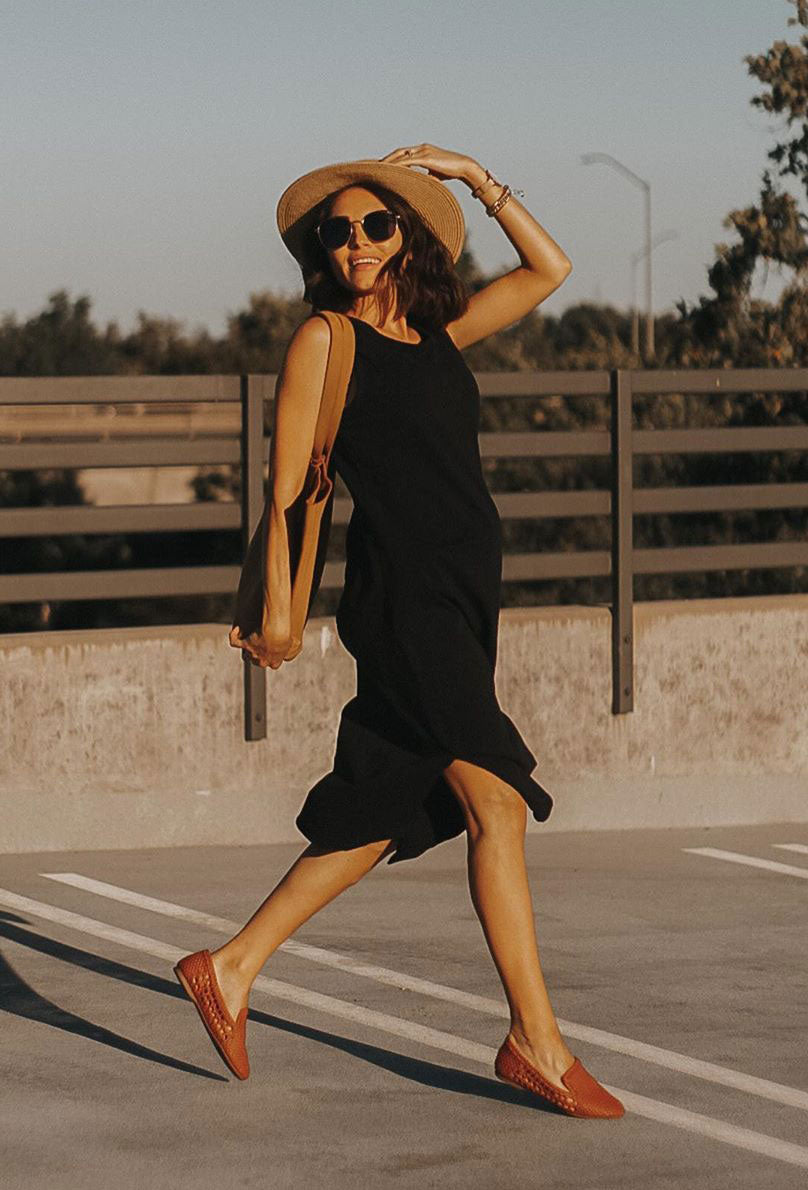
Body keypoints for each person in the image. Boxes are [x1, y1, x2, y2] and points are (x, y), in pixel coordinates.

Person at [174, 145, 624, 1119]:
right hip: (404, 603)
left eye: (376, 224)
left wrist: (477, 178)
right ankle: (536, 1044)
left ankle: (232, 966)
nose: (356, 244)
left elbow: (552, 271)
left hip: (466, 596)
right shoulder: (324, 343)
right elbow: (289, 486)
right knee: (495, 804)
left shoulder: (441, 330)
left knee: (386, 804)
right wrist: (276, 609)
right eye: (336, 230)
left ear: (409, 235)